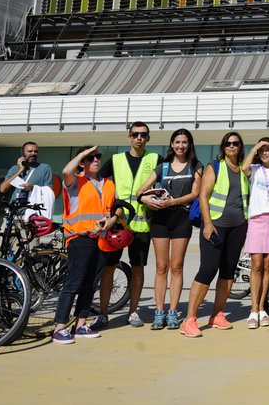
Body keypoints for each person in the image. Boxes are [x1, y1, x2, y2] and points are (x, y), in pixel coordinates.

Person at [180, 131, 251, 337]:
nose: (231, 146)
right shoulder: (215, 166)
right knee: (208, 269)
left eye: (236, 143)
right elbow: (203, 195)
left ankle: (217, 314)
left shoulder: (243, 171)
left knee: (228, 272)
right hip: (216, 226)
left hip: (238, 227)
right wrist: (208, 223)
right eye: (228, 143)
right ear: (223, 147)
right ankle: (189, 319)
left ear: (240, 147)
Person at [136, 129, 202, 330]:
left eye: (184, 142)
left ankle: (172, 312)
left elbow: (195, 194)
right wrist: (145, 198)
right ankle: (159, 312)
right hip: (160, 221)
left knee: (177, 267)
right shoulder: (162, 167)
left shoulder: (196, 167)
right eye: (177, 142)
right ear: (171, 145)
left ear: (189, 145)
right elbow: (140, 190)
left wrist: (173, 201)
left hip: (181, 219)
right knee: (161, 267)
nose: (181, 145)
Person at [95, 122, 158, 328]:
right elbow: (96, 181)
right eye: (135, 134)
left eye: (143, 134)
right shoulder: (116, 160)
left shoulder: (155, 159)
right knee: (108, 269)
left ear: (148, 138)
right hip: (116, 223)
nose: (139, 138)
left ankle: (133, 312)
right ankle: (103, 314)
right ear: (128, 137)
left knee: (138, 269)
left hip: (141, 224)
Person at [53, 146, 116, 344]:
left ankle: (81, 324)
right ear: (82, 162)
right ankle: (60, 327)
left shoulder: (108, 184)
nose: (96, 160)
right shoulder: (75, 181)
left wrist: (113, 219)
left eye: (98, 157)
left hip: (101, 238)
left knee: (90, 284)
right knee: (74, 282)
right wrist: (81, 154)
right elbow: (65, 172)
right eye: (91, 158)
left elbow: (114, 208)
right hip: (80, 238)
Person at [244, 136, 269, 328]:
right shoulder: (254, 169)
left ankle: (261, 308)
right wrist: (254, 148)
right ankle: (252, 310)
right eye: (262, 150)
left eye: (268, 149)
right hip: (257, 218)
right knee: (256, 264)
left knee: (268, 264)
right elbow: (243, 168)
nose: (265, 152)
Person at [0, 141, 56, 217]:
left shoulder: (44, 168)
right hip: (13, 215)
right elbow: (3, 189)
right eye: (30, 151)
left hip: (33, 215)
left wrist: (32, 188)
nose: (33, 153)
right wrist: (20, 170)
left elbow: (49, 192)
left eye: (35, 151)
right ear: (23, 154)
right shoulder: (14, 169)